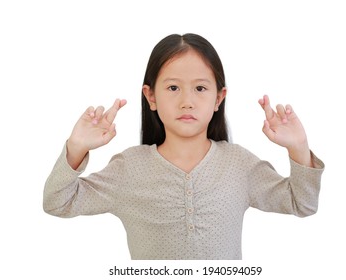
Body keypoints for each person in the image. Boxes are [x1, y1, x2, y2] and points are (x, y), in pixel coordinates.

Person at [43, 33, 325, 260]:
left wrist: (298, 147)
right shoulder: (128, 169)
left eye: (200, 88)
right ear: (150, 96)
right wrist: (76, 148)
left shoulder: (238, 164)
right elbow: (57, 202)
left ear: (219, 98)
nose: (187, 101)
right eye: (173, 88)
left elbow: (302, 203)